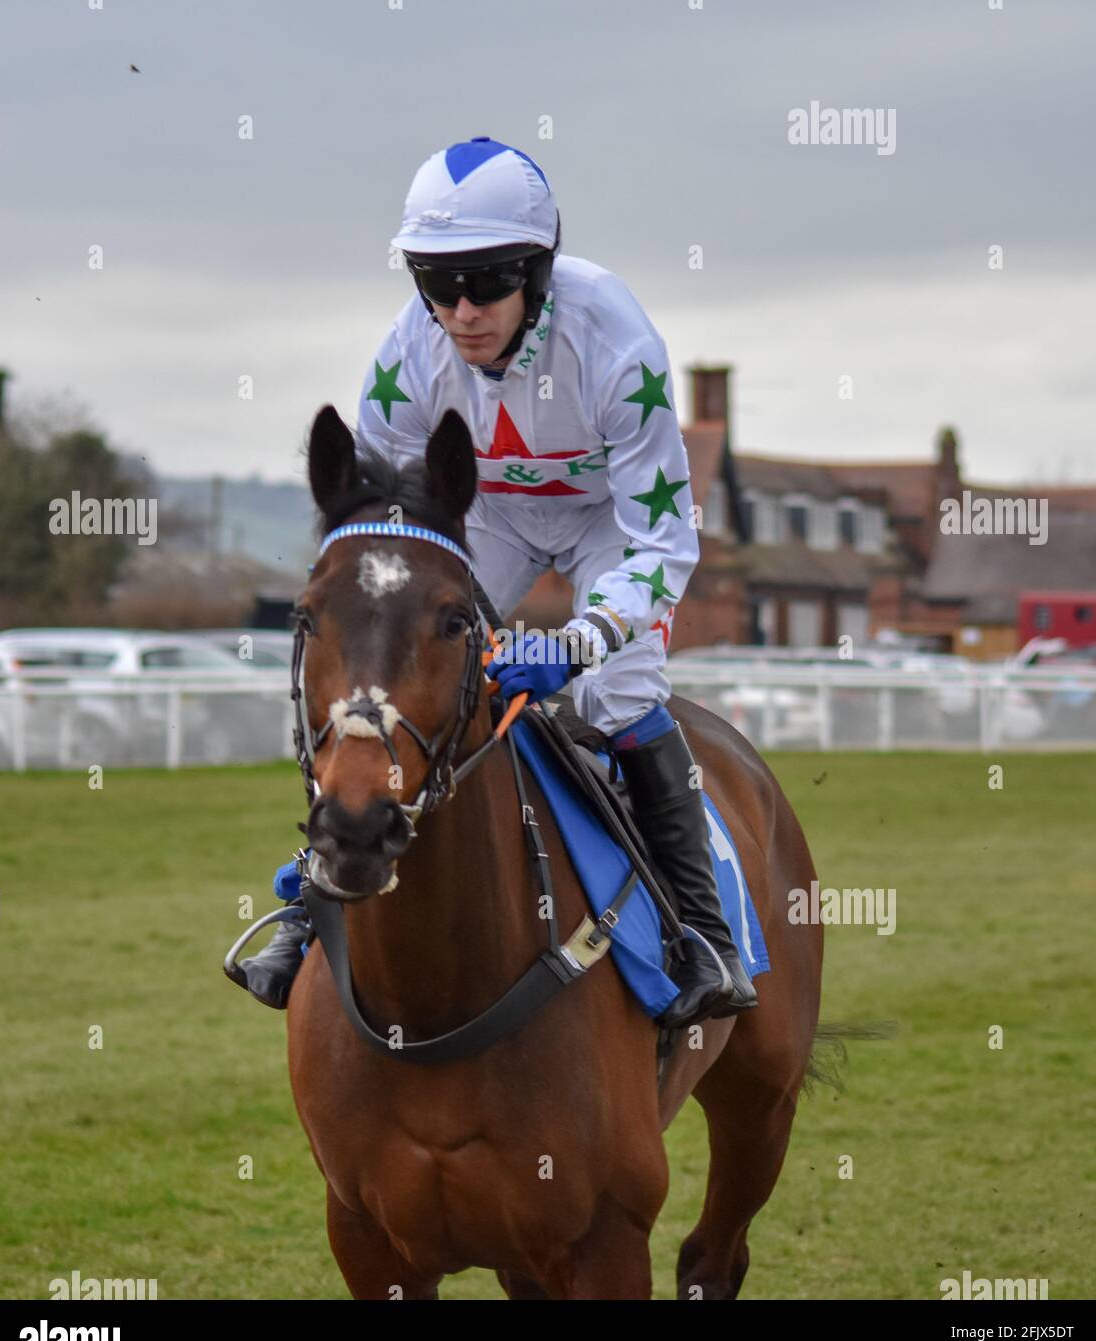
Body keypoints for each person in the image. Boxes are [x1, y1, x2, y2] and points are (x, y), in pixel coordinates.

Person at [242, 137, 757, 1028]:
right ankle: (313, 896)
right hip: (489, 524)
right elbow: (385, 544)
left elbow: (661, 538)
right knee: (398, 680)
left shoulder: (616, 341)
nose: (462, 310)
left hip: (610, 523)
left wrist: (578, 643)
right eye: (437, 285)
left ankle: (700, 933)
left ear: (538, 268)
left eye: (486, 281)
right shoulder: (407, 358)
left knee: (621, 695)